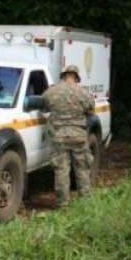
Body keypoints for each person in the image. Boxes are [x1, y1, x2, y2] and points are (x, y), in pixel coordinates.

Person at [42, 65, 95, 208]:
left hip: (59, 136)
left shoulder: (52, 91)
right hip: (78, 136)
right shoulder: (83, 92)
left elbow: (44, 104)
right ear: (76, 77)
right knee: (82, 169)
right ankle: (85, 203)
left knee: (61, 171)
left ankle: (63, 205)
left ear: (64, 75)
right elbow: (91, 108)